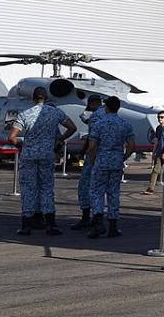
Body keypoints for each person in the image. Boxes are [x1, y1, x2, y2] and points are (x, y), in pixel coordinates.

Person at [9, 86, 77, 236]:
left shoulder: (25, 114)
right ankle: (50, 224)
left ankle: (26, 225)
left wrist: (22, 145)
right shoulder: (56, 112)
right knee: (46, 187)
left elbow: (11, 137)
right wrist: (59, 140)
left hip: (29, 155)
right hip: (47, 154)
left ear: (33, 98)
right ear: (46, 98)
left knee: (28, 188)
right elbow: (72, 128)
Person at [87, 97, 136, 238]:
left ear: (106, 108)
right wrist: (123, 157)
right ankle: (113, 227)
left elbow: (92, 146)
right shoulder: (125, 124)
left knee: (97, 192)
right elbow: (132, 146)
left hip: (101, 161)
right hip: (116, 161)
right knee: (113, 192)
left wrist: (93, 160)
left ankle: (98, 223)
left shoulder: (99, 124)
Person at [71, 94, 106, 230]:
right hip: (108, 158)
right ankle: (106, 222)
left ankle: (87, 218)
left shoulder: (95, 117)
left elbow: (92, 138)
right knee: (103, 190)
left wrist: (84, 153)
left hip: (94, 157)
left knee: (85, 187)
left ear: (92, 104)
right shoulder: (110, 116)